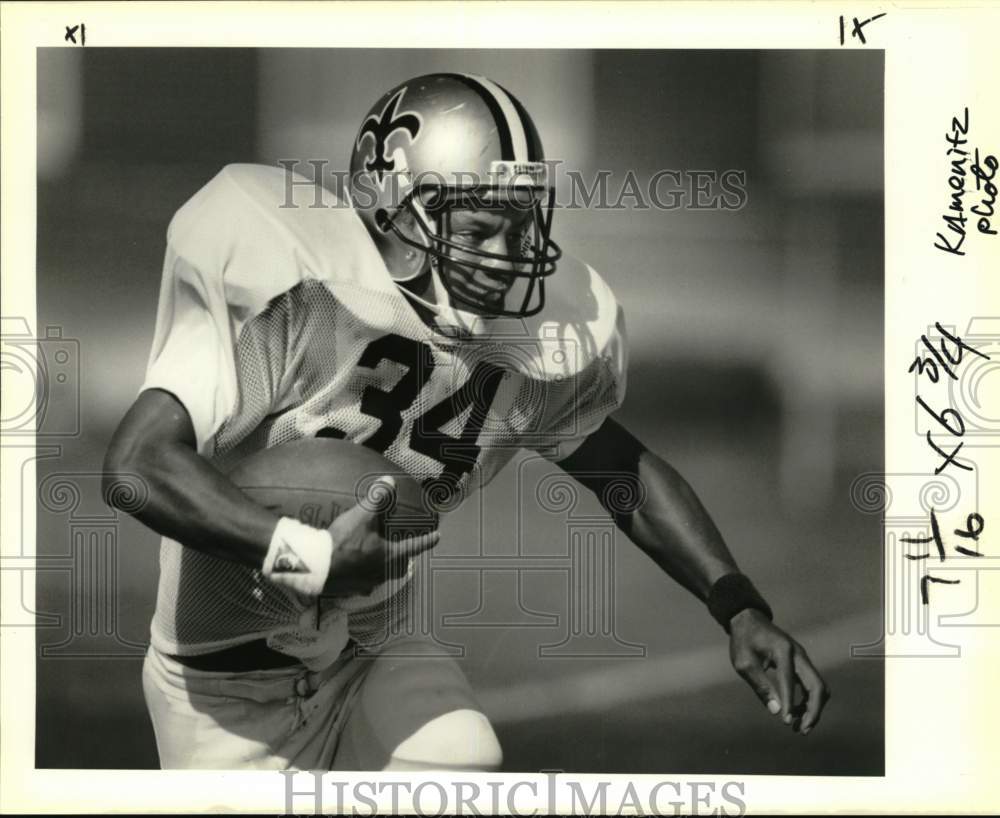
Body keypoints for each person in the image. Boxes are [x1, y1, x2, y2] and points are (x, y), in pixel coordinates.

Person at [103, 72, 829, 771]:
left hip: (371, 652)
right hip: (221, 688)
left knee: (457, 757)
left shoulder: (519, 344)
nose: (511, 258)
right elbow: (136, 468)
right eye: (483, 229)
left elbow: (624, 471)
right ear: (396, 215)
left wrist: (736, 605)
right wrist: (308, 556)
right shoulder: (293, 292)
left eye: (520, 228)